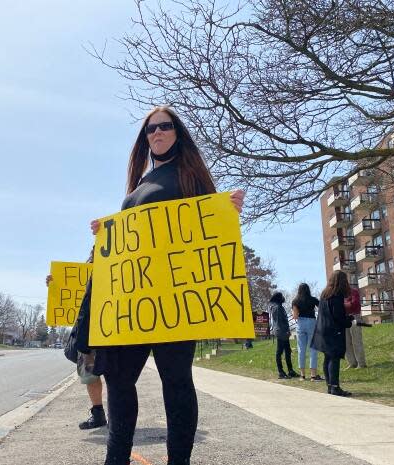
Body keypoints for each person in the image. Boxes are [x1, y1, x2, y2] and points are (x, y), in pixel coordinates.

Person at [89, 106, 245, 465]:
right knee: (118, 378)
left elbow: (211, 227)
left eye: (164, 126)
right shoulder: (140, 183)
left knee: (175, 382)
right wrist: (104, 236)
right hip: (134, 302)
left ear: (177, 133)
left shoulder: (189, 176)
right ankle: (116, 459)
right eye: (150, 129)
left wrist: (229, 208)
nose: (156, 133)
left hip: (175, 304)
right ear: (144, 138)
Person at [46, 270, 107, 430]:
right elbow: (76, 302)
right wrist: (55, 287)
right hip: (87, 333)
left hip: (113, 328)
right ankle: (98, 414)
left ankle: (118, 416)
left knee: (118, 377)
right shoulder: (87, 272)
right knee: (90, 376)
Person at [311, 270, 354, 397]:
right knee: (334, 358)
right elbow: (338, 316)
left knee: (327, 358)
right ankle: (335, 387)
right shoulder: (337, 295)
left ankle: (330, 386)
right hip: (333, 331)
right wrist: (348, 321)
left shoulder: (324, 294)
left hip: (322, 330)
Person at [292, 283, 322, 381]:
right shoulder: (313, 299)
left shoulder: (295, 301)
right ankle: (313, 376)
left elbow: (295, 316)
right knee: (313, 349)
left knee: (301, 349)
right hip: (311, 323)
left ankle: (302, 375)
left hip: (300, 323)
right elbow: (321, 308)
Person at [269, 292, 299, 379]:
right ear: (278, 298)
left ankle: (290, 371)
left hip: (282, 331)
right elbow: (280, 322)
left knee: (288, 351)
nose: (283, 298)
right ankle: (281, 372)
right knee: (279, 352)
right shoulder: (277, 307)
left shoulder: (278, 306)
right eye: (282, 296)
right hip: (281, 332)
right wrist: (286, 331)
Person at [344, 286, 367, 369]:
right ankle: (352, 363)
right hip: (344, 319)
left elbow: (354, 304)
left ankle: (361, 363)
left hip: (354, 317)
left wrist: (342, 305)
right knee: (346, 342)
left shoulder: (353, 291)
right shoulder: (339, 294)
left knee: (357, 341)